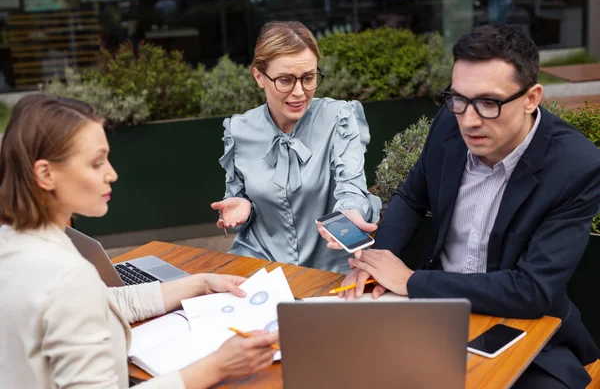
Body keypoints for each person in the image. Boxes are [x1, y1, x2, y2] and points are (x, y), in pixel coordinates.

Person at [320, 24, 600, 388]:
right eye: (459, 98)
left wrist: (411, 281)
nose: (469, 119)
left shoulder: (576, 165)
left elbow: (532, 291)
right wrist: (376, 263)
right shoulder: (448, 125)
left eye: (489, 103)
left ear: (532, 98)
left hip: (518, 326)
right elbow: (411, 197)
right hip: (424, 311)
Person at [0, 94, 278, 389]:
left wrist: (199, 283)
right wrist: (216, 367)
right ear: (45, 174)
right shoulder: (66, 277)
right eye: (96, 163)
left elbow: (103, 300)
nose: (112, 174)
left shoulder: (15, 244)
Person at [211, 21, 381, 273]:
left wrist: (351, 213)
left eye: (308, 78)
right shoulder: (239, 130)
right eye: (285, 80)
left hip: (332, 264)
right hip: (260, 263)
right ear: (259, 76)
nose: (299, 92)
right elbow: (236, 201)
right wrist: (241, 208)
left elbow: (351, 189)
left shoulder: (340, 118)